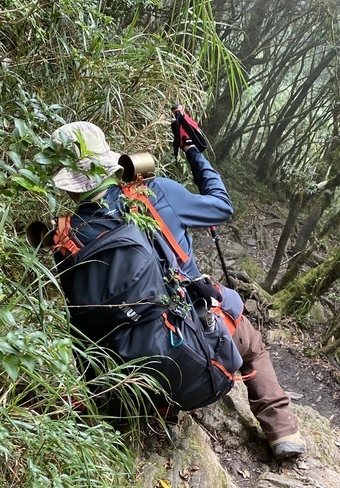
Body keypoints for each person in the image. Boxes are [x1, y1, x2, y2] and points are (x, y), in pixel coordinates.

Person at [51, 120, 307, 461]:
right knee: (253, 344)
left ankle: (154, 406)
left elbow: (80, 322)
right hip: (192, 342)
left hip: (126, 370)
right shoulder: (157, 193)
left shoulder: (67, 239)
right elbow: (221, 206)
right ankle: (282, 430)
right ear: (112, 164)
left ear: (67, 185)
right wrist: (193, 152)